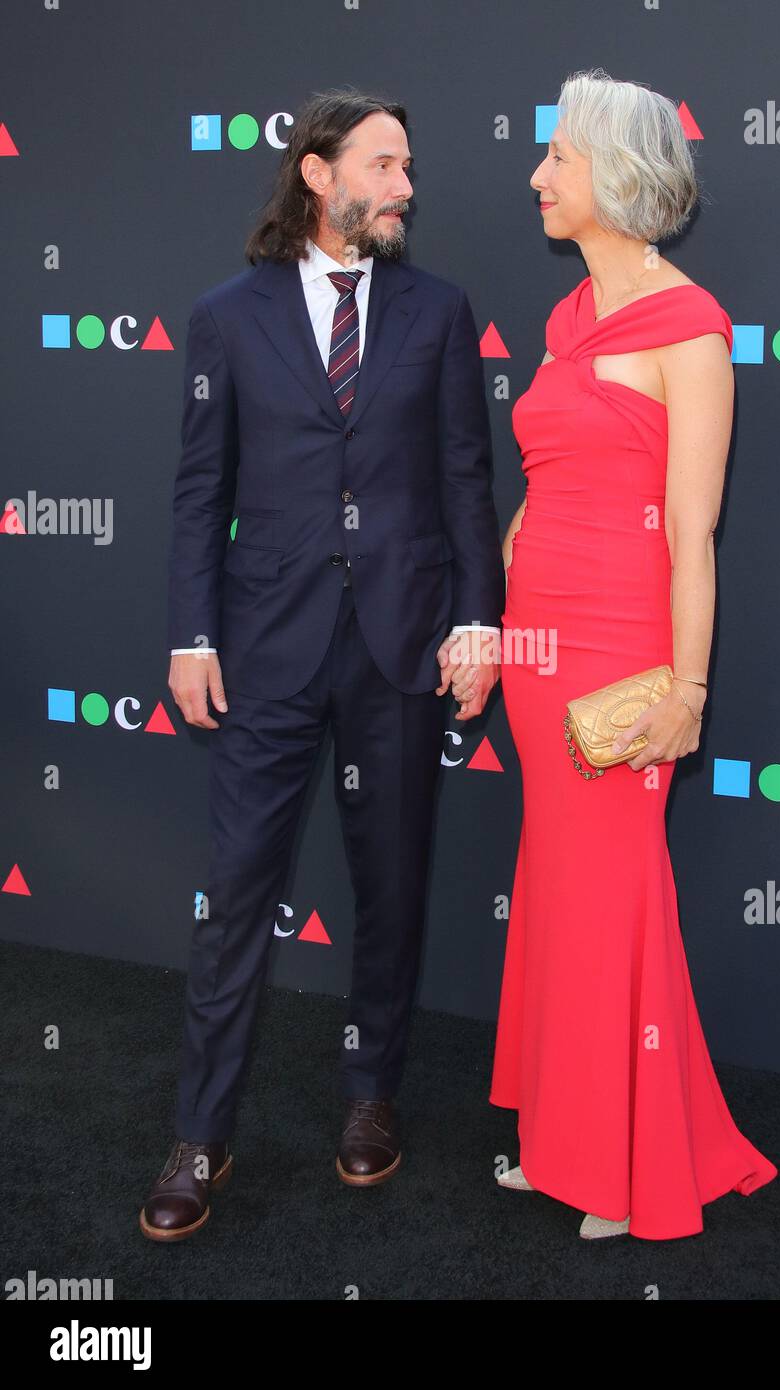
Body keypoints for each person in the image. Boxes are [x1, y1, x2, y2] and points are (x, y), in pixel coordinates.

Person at [141, 88, 504, 1241]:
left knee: (390, 886)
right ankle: (201, 1135)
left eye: (407, 167)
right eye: (387, 164)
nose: (406, 187)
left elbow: (466, 484)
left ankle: (369, 1096)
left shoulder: (438, 312)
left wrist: (478, 623)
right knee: (238, 894)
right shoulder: (227, 317)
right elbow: (202, 488)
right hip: (264, 646)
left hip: (401, 643)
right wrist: (191, 633)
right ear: (317, 172)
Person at [481, 68, 777, 1240]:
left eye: (558, 155)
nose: (538, 173)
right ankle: (563, 1136)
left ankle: (627, 1163)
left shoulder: (691, 327)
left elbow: (693, 535)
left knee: (612, 894)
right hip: (537, 643)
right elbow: (532, 498)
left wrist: (687, 691)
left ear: (618, 172)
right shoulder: (565, 322)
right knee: (561, 889)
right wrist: (495, 632)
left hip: (624, 655)